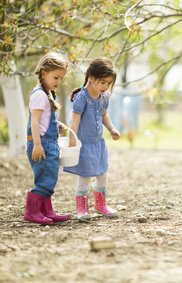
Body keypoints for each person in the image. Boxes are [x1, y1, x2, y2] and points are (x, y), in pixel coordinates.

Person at [64, 58, 121, 220]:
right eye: (102, 82)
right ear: (91, 77)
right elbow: (74, 121)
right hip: (84, 144)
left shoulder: (104, 97)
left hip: (98, 144)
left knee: (103, 173)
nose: (105, 87)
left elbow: (104, 115)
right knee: (85, 175)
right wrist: (72, 141)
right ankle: (82, 208)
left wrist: (111, 129)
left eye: (108, 83)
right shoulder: (82, 97)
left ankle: (101, 204)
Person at [25, 52, 71, 225]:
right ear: (44, 73)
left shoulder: (48, 93)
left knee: (50, 177)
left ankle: (46, 210)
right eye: (56, 77)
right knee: (44, 178)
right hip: (41, 144)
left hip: (49, 144)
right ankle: (32, 212)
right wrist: (37, 144)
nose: (58, 82)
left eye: (61, 78)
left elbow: (44, 119)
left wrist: (57, 124)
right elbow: (34, 122)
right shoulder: (39, 95)